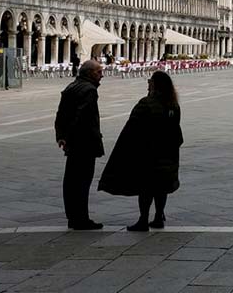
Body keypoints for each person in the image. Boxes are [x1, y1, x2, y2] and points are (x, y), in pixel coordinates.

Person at [99, 71, 183, 232]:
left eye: (150, 81)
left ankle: (143, 219)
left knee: (146, 187)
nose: (148, 83)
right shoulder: (173, 105)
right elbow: (176, 129)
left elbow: (132, 128)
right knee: (161, 186)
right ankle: (159, 217)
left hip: (148, 152)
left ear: (155, 85)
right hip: (168, 151)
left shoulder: (146, 103)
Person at [54, 60, 105, 230]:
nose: (102, 75)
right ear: (90, 73)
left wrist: (61, 136)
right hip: (85, 144)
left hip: (73, 143)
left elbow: (61, 114)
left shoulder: (71, 86)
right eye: (99, 72)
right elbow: (83, 117)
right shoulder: (89, 90)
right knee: (82, 182)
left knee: (71, 182)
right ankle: (81, 219)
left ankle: (73, 217)